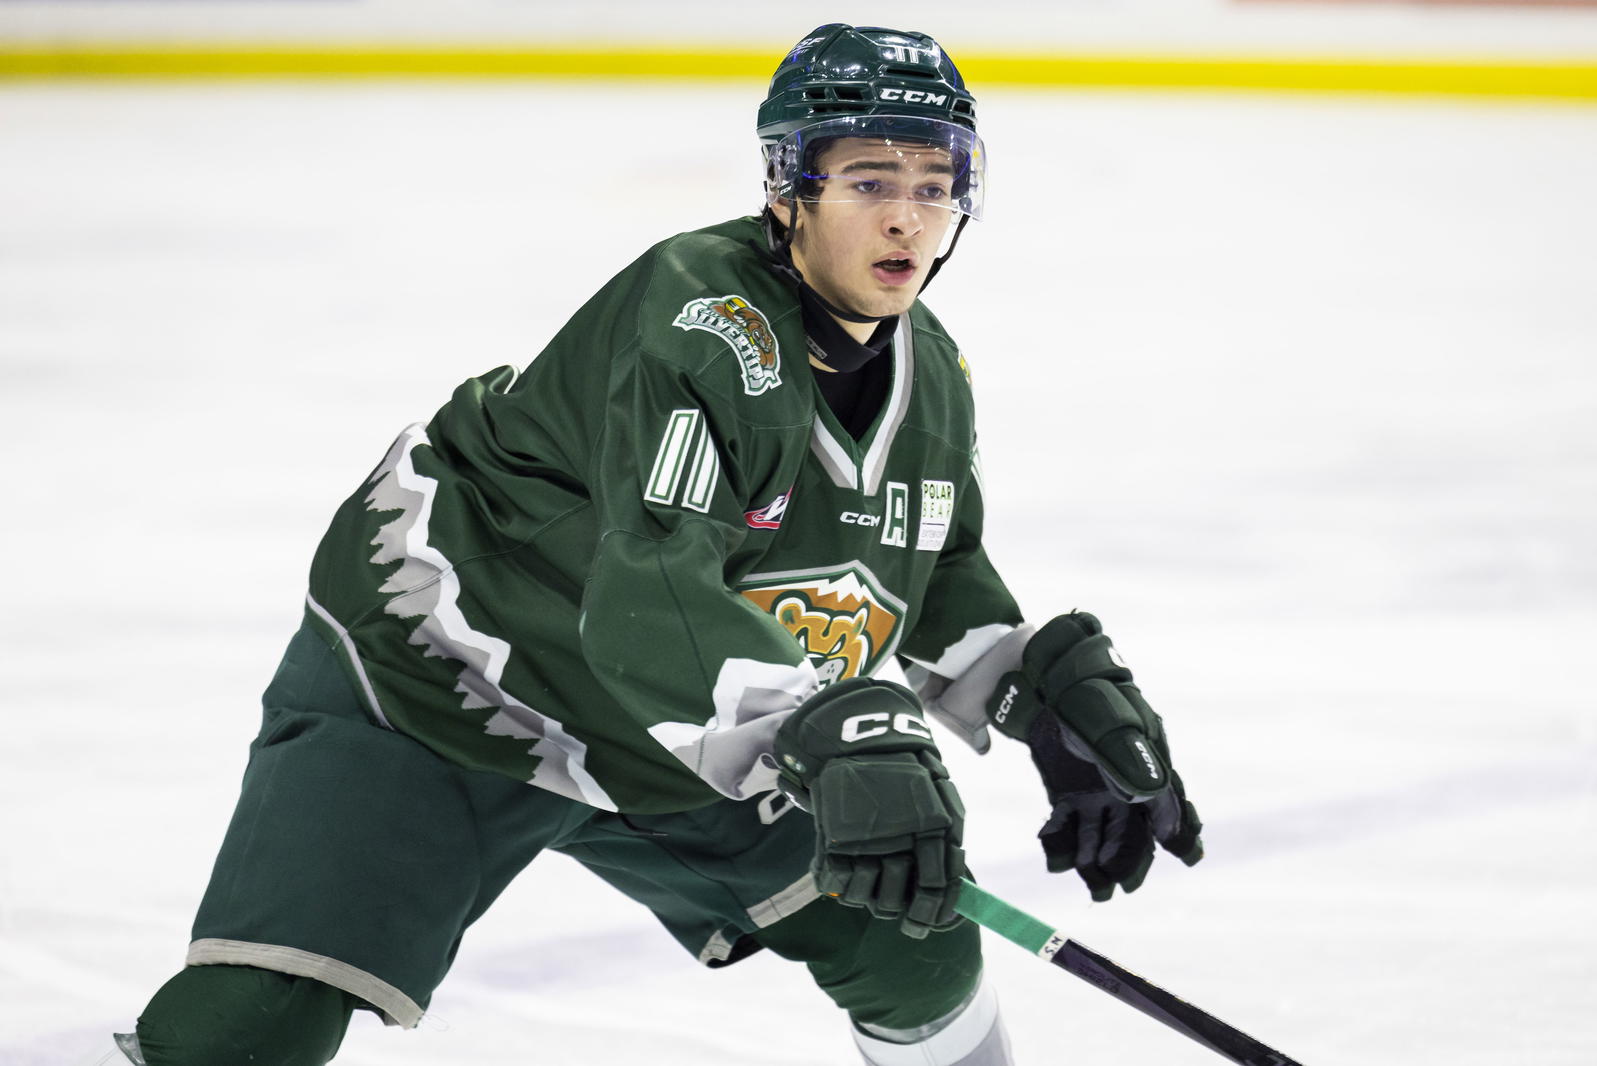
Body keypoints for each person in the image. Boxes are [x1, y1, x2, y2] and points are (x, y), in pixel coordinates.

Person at [115, 24, 1203, 1066]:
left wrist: (1030, 687)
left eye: (933, 185)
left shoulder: (935, 374)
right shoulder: (702, 321)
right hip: (447, 674)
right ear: (789, 189)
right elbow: (652, 584)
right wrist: (830, 730)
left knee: (911, 942)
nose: (907, 221)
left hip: (661, 712)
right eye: (870, 181)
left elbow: (925, 565)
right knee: (249, 1028)